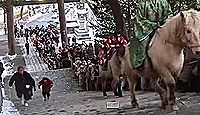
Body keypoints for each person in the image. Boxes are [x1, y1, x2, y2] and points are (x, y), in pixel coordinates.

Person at [129, 0, 173, 90]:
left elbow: (169, 14)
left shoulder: (164, 2)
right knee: (143, 43)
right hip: (147, 30)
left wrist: (165, 22)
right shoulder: (142, 4)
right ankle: (140, 63)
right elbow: (139, 19)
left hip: (162, 27)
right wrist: (153, 25)